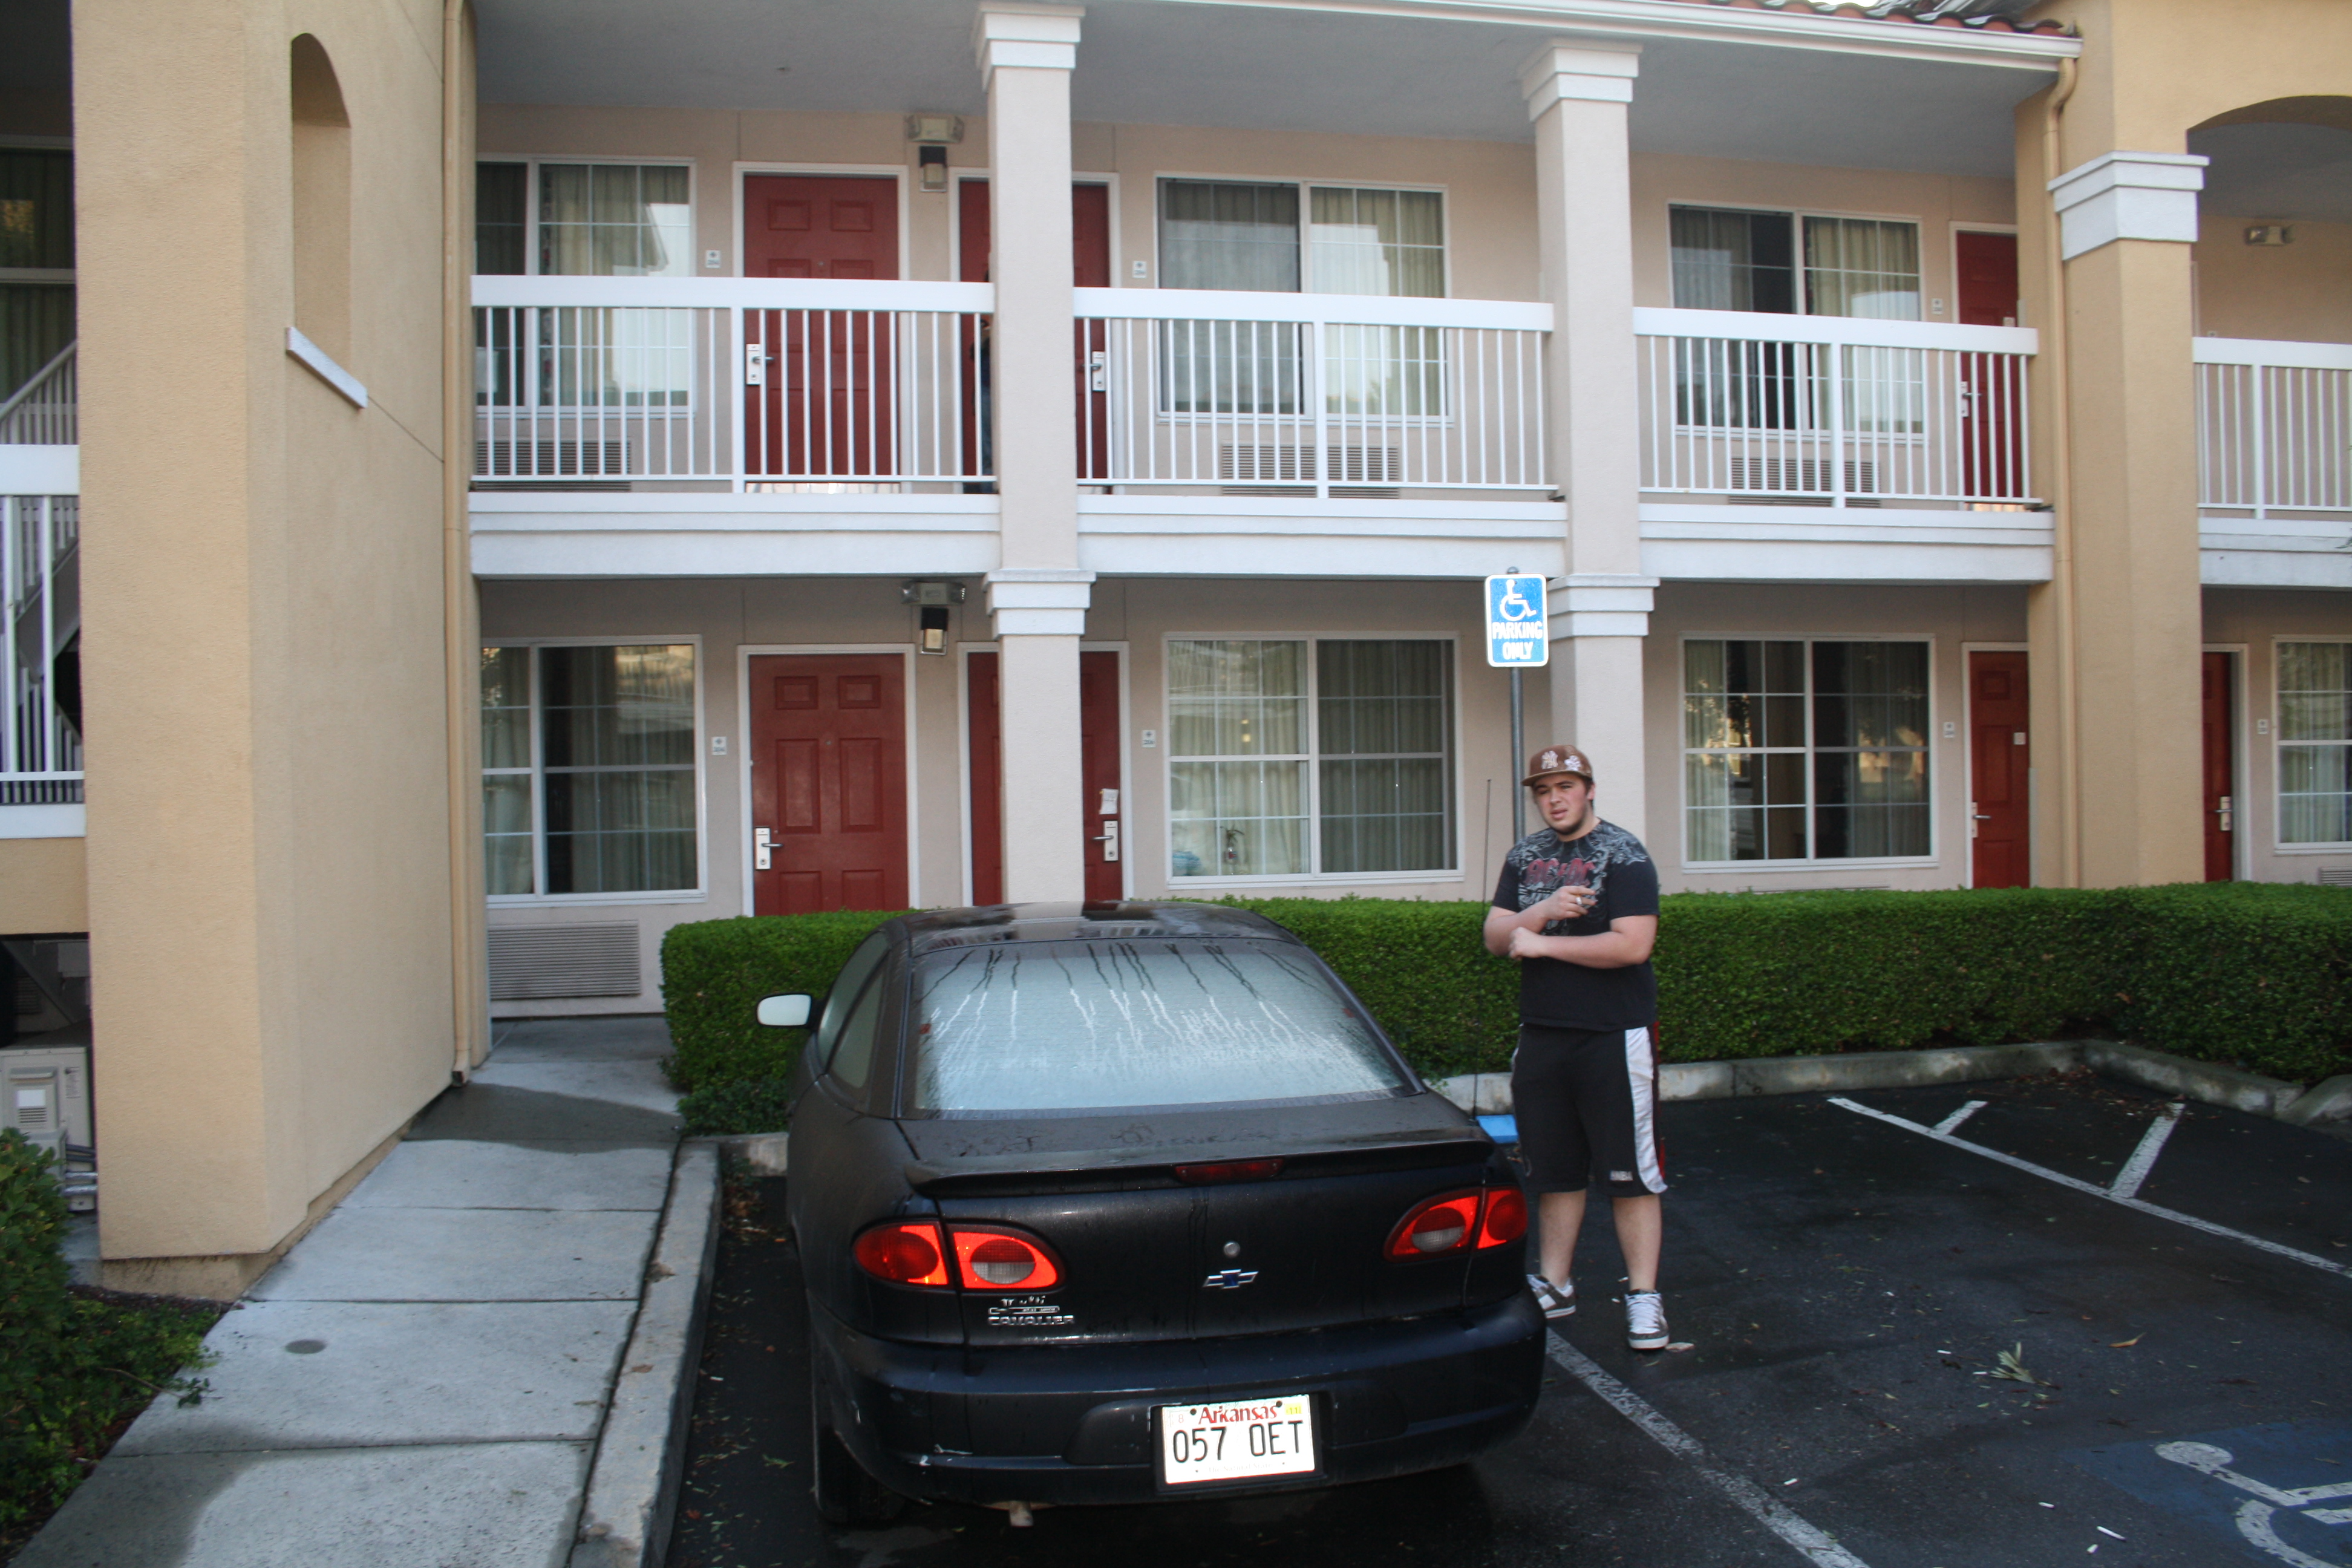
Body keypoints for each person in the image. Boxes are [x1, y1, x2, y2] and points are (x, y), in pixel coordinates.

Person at [1481, 744, 1668, 1352]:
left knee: (1630, 1174)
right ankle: (1556, 1284)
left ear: (1588, 789)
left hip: (1612, 1035)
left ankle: (1644, 1297)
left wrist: (1544, 944)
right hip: (1543, 1034)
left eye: (1565, 786)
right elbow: (1494, 937)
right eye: (1544, 790)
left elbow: (1633, 945)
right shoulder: (1525, 856)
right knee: (1555, 1170)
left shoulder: (1624, 854)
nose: (1554, 799)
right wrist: (1541, 911)